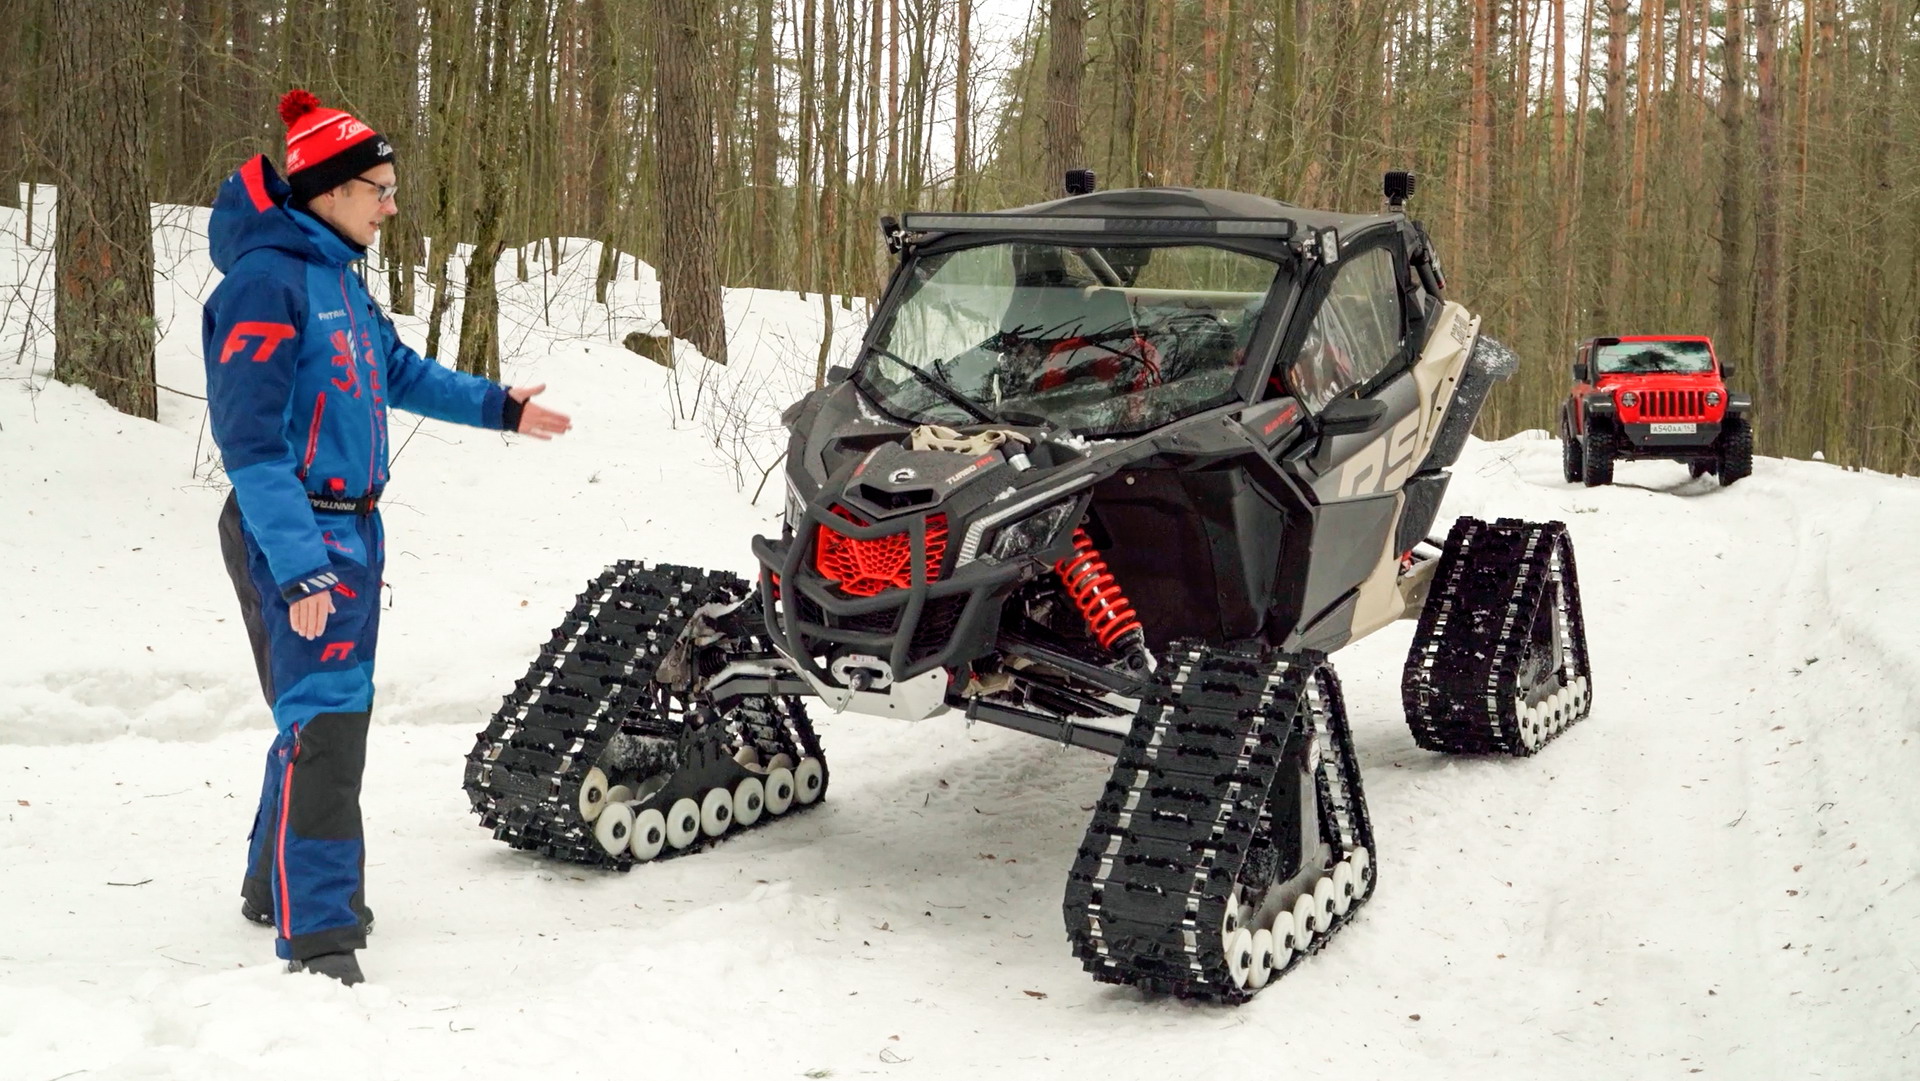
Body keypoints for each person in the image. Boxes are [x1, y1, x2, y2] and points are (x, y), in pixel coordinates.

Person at [203, 89, 572, 986]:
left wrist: (499, 407)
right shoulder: (266, 284)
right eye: (381, 189)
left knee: (325, 714)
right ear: (330, 190)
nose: (392, 206)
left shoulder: (338, 274)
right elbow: (251, 449)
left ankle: (271, 886)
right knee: (326, 724)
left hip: (354, 531)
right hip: (295, 532)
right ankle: (320, 933)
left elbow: (396, 370)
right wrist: (299, 567)